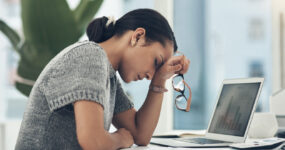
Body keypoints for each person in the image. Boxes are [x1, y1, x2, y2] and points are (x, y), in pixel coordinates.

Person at [15, 8, 190, 150]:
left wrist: (159, 80)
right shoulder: (90, 56)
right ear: (137, 37)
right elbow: (93, 142)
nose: (150, 75)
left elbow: (139, 135)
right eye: (156, 62)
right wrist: (120, 138)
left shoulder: (109, 76)